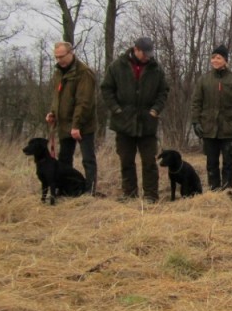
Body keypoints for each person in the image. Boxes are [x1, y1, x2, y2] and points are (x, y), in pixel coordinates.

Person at [100, 37, 170, 202]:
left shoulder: (156, 69)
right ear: (136, 49)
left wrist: (155, 110)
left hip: (148, 122)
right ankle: (129, 194)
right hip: (123, 121)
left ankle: (151, 196)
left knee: (149, 161)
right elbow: (106, 89)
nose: (148, 57)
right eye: (145, 53)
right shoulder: (117, 66)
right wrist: (116, 109)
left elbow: (164, 92)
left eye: (149, 53)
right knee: (126, 160)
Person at [190, 44, 232, 191]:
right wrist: (195, 121)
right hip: (209, 127)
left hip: (229, 128)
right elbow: (196, 102)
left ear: (225, 60)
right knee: (211, 162)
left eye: (218, 57)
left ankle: (228, 190)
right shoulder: (203, 80)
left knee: (228, 163)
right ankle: (214, 190)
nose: (215, 60)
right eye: (213, 57)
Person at [45, 41, 98, 194]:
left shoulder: (84, 73)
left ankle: (90, 191)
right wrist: (53, 113)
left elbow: (84, 102)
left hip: (83, 125)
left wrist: (76, 125)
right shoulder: (58, 72)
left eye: (62, 56)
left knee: (88, 159)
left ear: (71, 53)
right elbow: (58, 97)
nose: (59, 60)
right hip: (64, 124)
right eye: (56, 57)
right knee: (64, 160)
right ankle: (65, 190)